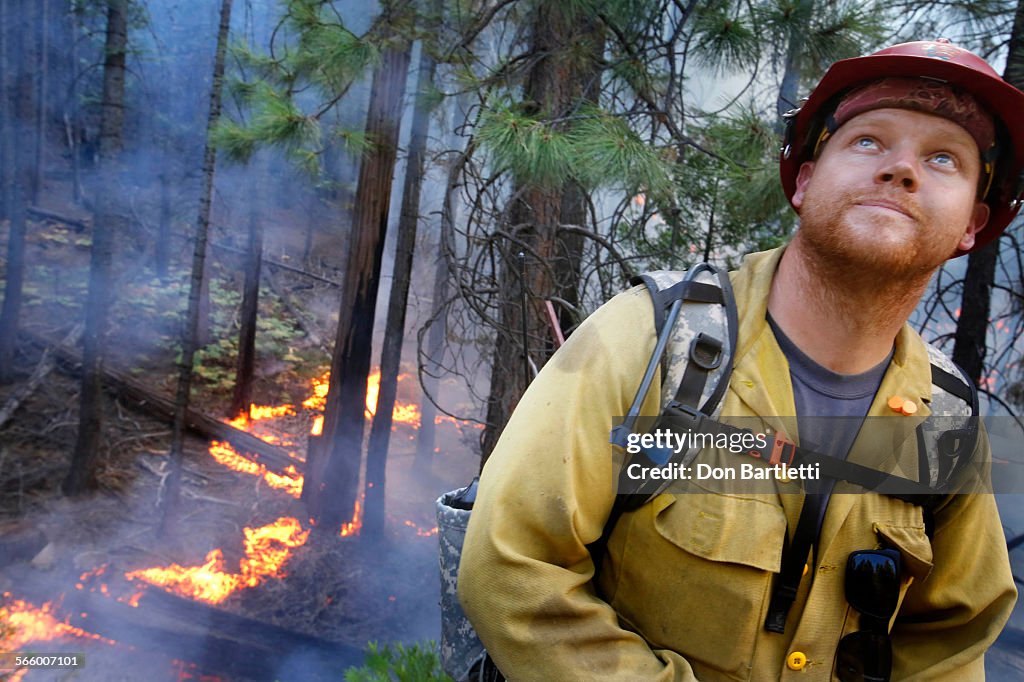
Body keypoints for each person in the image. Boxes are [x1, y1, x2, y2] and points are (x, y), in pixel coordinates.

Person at [457, 39, 1024, 680]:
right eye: (868, 141)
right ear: (806, 180)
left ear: (973, 222)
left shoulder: (944, 425)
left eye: (943, 158)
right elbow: (513, 566)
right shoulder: (650, 339)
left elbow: (950, 646)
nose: (901, 170)